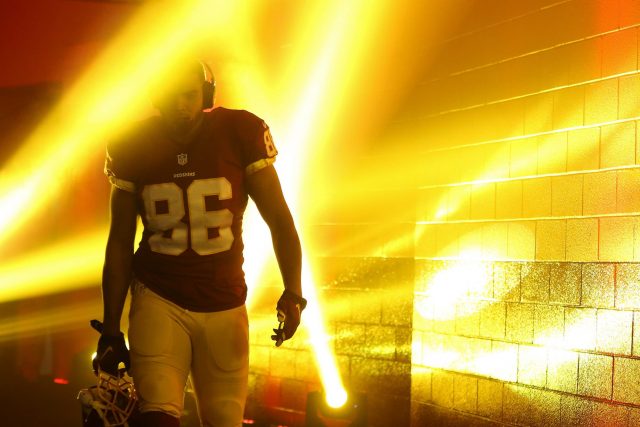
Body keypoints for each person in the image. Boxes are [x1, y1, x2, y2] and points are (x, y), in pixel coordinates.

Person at [93, 59, 307, 427]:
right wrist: (112, 327)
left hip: (224, 301)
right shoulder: (133, 143)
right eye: (171, 95)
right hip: (160, 295)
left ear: (205, 94)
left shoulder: (239, 131)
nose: (180, 105)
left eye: (189, 95)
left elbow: (280, 218)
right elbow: (119, 242)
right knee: (157, 416)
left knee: (224, 420)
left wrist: (294, 292)